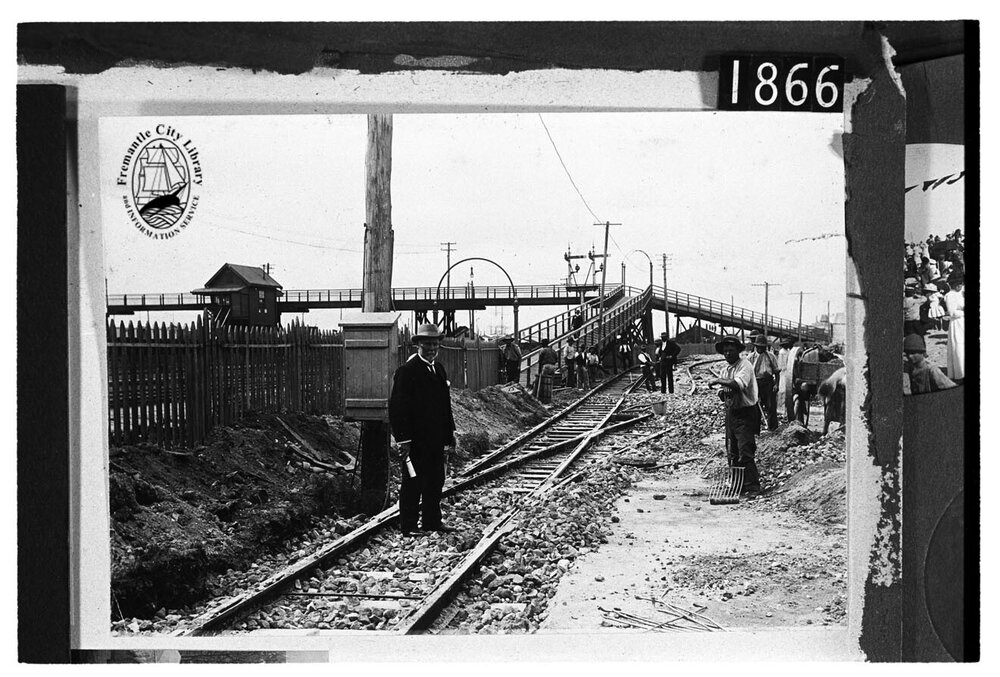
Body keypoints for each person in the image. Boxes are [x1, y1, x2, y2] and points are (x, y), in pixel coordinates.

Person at [388, 323, 457, 536]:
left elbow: (445, 406)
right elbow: (398, 407)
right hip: (415, 441)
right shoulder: (407, 372)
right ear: (418, 344)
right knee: (414, 482)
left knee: (435, 481)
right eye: (427, 344)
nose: (431, 348)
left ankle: (432, 521)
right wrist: (403, 439)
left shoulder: (438, 369)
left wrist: (450, 434)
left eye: (435, 344)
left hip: (435, 439)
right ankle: (408, 526)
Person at [709, 335, 763, 496]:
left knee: (745, 449)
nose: (727, 354)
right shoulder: (725, 369)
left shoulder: (744, 365)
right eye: (725, 351)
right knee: (732, 451)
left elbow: (738, 384)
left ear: (738, 351)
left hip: (746, 413)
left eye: (731, 351)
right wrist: (722, 391)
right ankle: (738, 484)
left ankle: (753, 486)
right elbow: (722, 393)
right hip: (731, 412)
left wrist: (719, 381)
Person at [749, 335, 780, 431]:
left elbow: (776, 372)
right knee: (755, 408)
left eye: (763, 346)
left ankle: (773, 429)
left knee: (770, 406)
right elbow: (748, 375)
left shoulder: (771, 356)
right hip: (756, 383)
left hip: (768, 383)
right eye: (759, 346)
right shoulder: (751, 357)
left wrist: (776, 384)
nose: (761, 348)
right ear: (755, 346)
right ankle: (755, 431)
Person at [944, 275, 965, 382]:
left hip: (963, 322)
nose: (961, 286)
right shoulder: (950, 295)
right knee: (958, 346)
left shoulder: (960, 294)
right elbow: (952, 312)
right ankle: (959, 372)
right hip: (957, 323)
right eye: (959, 284)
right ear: (955, 285)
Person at [776, 337, 798, 422]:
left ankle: (783, 411)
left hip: (786, 372)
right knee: (783, 391)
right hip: (784, 372)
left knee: (785, 392)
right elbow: (782, 365)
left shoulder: (786, 352)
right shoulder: (783, 352)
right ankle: (782, 411)